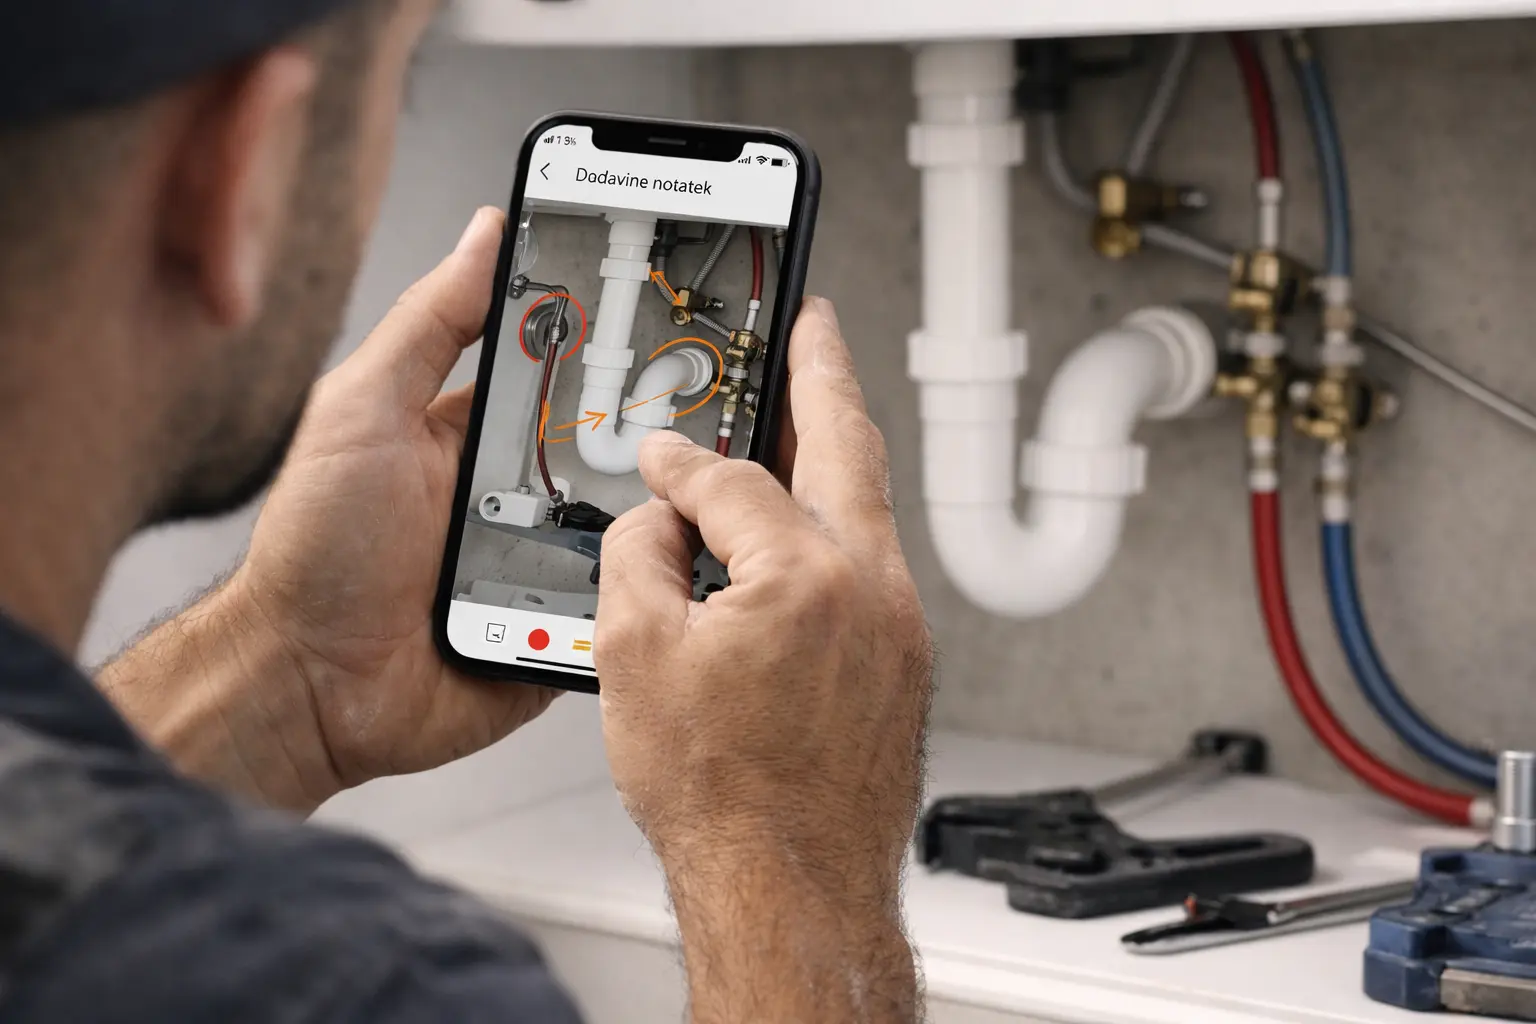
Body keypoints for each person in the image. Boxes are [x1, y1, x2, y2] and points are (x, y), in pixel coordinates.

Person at [0, 1, 935, 1021]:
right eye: (400, 89)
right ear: (237, 175)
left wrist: (294, 668)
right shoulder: (356, 989)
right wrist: (786, 849)